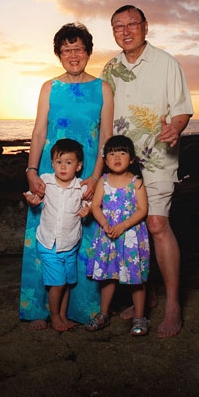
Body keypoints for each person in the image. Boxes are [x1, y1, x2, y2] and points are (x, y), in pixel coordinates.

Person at [101, 5, 193, 338]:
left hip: (157, 157)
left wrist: (175, 128)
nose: (125, 31)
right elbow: (105, 115)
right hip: (121, 161)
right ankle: (147, 295)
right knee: (133, 229)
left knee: (156, 224)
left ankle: (173, 306)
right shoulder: (110, 68)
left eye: (132, 24)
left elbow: (182, 110)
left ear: (145, 26)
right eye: (118, 26)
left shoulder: (167, 63)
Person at [20, 23, 114, 329]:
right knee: (44, 238)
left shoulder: (103, 88)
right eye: (66, 50)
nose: (73, 55)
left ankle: (81, 309)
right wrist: (32, 171)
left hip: (87, 174)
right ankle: (38, 310)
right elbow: (39, 132)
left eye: (78, 49)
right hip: (52, 172)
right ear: (59, 54)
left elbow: (106, 136)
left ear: (88, 52)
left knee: (85, 239)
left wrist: (96, 177)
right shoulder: (49, 87)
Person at [85, 135, 150, 336]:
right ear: (105, 160)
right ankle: (103, 314)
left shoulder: (136, 182)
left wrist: (123, 225)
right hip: (108, 236)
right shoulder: (103, 181)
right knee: (108, 276)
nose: (117, 157)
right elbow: (95, 206)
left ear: (131, 159)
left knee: (135, 278)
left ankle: (140, 317)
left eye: (122, 153)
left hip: (131, 236)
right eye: (112, 154)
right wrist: (105, 224)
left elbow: (142, 210)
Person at [23, 138, 90, 332]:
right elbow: (33, 195)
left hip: (70, 243)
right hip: (49, 243)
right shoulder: (46, 180)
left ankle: (62, 315)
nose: (63, 167)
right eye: (59, 162)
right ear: (52, 163)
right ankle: (54, 317)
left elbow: (89, 205)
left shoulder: (81, 187)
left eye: (68, 162)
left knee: (67, 283)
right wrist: (31, 200)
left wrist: (88, 210)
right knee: (58, 283)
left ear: (78, 166)